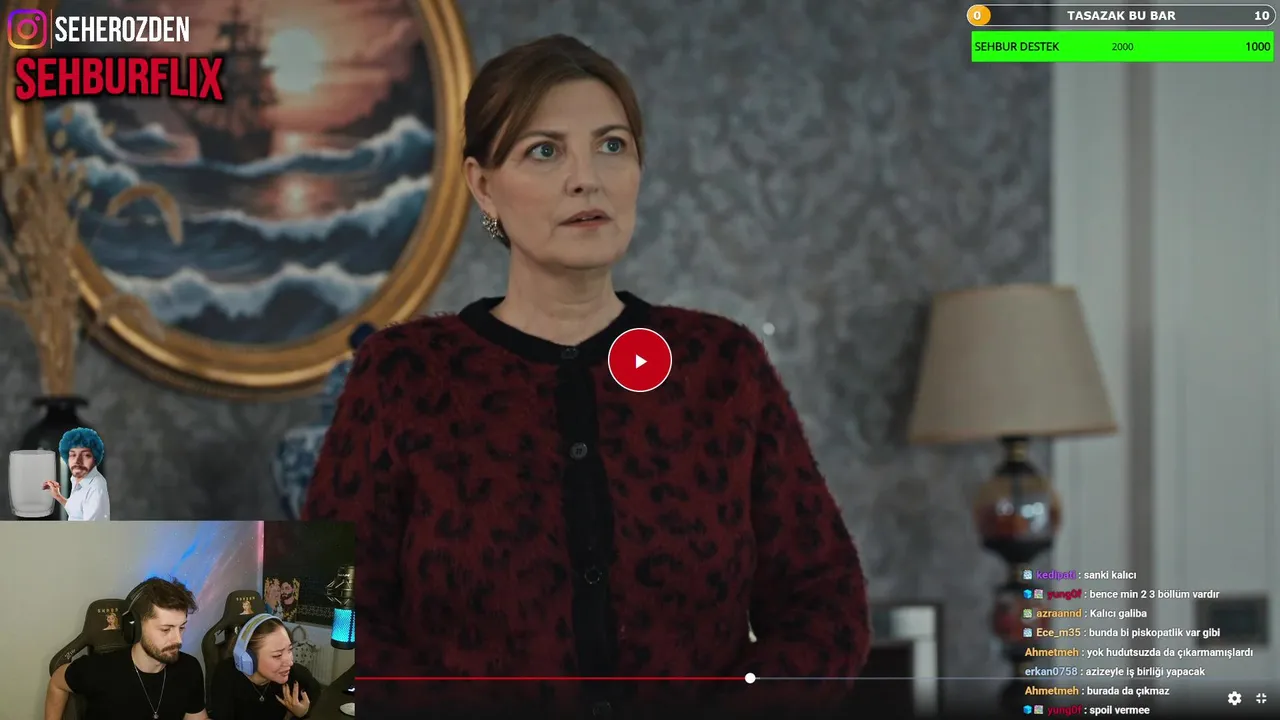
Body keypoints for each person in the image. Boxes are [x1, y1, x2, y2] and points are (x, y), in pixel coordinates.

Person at [302, 34, 870, 719]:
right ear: (483, 185)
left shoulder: (722, 365)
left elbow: (825, 605)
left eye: (611, 146)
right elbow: (327, 621)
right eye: (545, 151)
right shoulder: (404, 375)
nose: (586, 178)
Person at [45, 577, 207, 720]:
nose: (178, 640)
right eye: (166, 630)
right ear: (134, 628)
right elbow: (57, 683)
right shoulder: (99, 671)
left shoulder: (190, 669)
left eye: (181, 628)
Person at [208, 614, 322, 720]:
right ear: (248, 658)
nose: (290, 662)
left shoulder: (295, 674)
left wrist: (301, 713)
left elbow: (316, 693)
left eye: (290, 650)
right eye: (277, 655)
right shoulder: (226, 676)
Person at [42, 427, 110, 521]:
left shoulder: (96, 487)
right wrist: (58, 496)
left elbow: (92, 528)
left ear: (95, 458)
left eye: (86, 455)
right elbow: (77, 512)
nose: (77, 461)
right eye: (73, 455)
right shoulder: (78, 480)